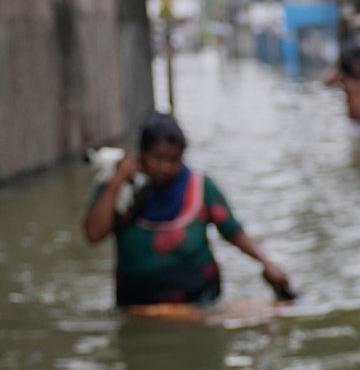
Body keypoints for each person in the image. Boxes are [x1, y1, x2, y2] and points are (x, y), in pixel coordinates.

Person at [84, 113, 293, 308]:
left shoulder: (201, 188)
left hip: (199, 300)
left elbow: (232, 231)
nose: (165, 167)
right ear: (142, 153)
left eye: (173, 160)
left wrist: (265, 262)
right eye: (158, 158)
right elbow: (94, 234)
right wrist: (116, 181)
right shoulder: (120, 190)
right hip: (136, 305)